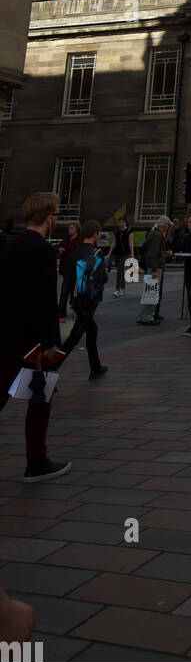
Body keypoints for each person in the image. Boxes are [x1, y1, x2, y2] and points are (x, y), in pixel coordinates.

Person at [0, 192, 70, 480]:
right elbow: (44, 300)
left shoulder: (10, 246)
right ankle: (36, 460)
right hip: (32, 340)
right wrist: (52, 342)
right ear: (50, 218)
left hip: (6, 333)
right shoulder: (43, 250)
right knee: (42, 395)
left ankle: (38, 460)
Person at [60, 220, 109, 379]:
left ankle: (95, 367)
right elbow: (102, 278)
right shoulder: (97, 253)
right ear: (95, 234)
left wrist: (62, 306)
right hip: (90, 300)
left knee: (91, 330)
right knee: (74, 336)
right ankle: (51, 367)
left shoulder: (75, 253)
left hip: (76, 299)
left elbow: (67, 282)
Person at [137, 215, 172, 324]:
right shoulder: (157, 235)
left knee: (149, 292)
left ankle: (144, 315)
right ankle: (148, 317)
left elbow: (153, 251)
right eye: (167, 224)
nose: (168, 226)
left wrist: (164, 254)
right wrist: (154, 269)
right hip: (154, 267)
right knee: (151, 293)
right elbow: (153, 253)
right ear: (163, 224)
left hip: (152, 266)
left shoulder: (153, 233)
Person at [56, 220, 81, 322]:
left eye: (72, 228)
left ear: (77, 229)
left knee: (73, 291)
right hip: (66, 268)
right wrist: (59, 249)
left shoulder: (79, 240)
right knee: (64, 291)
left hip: (75, 268)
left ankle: (75, 309)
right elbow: (59, 247)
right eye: (69, 228)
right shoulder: (66, 239)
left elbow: (77, 253)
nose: (69, 230)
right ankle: (61, 313)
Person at [111, 217, 132, 298]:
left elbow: (131, 243)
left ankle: (117, 290)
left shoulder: (129, 231)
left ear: (125, 223)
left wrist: (132, 254)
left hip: (126, 253)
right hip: (118, 253)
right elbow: (113, 243)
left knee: (120, 270)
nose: (121, 224)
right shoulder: (116, 231)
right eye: (119, 222)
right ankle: (123, 288)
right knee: (121, 271)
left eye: (122, 222)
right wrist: (109, 254)